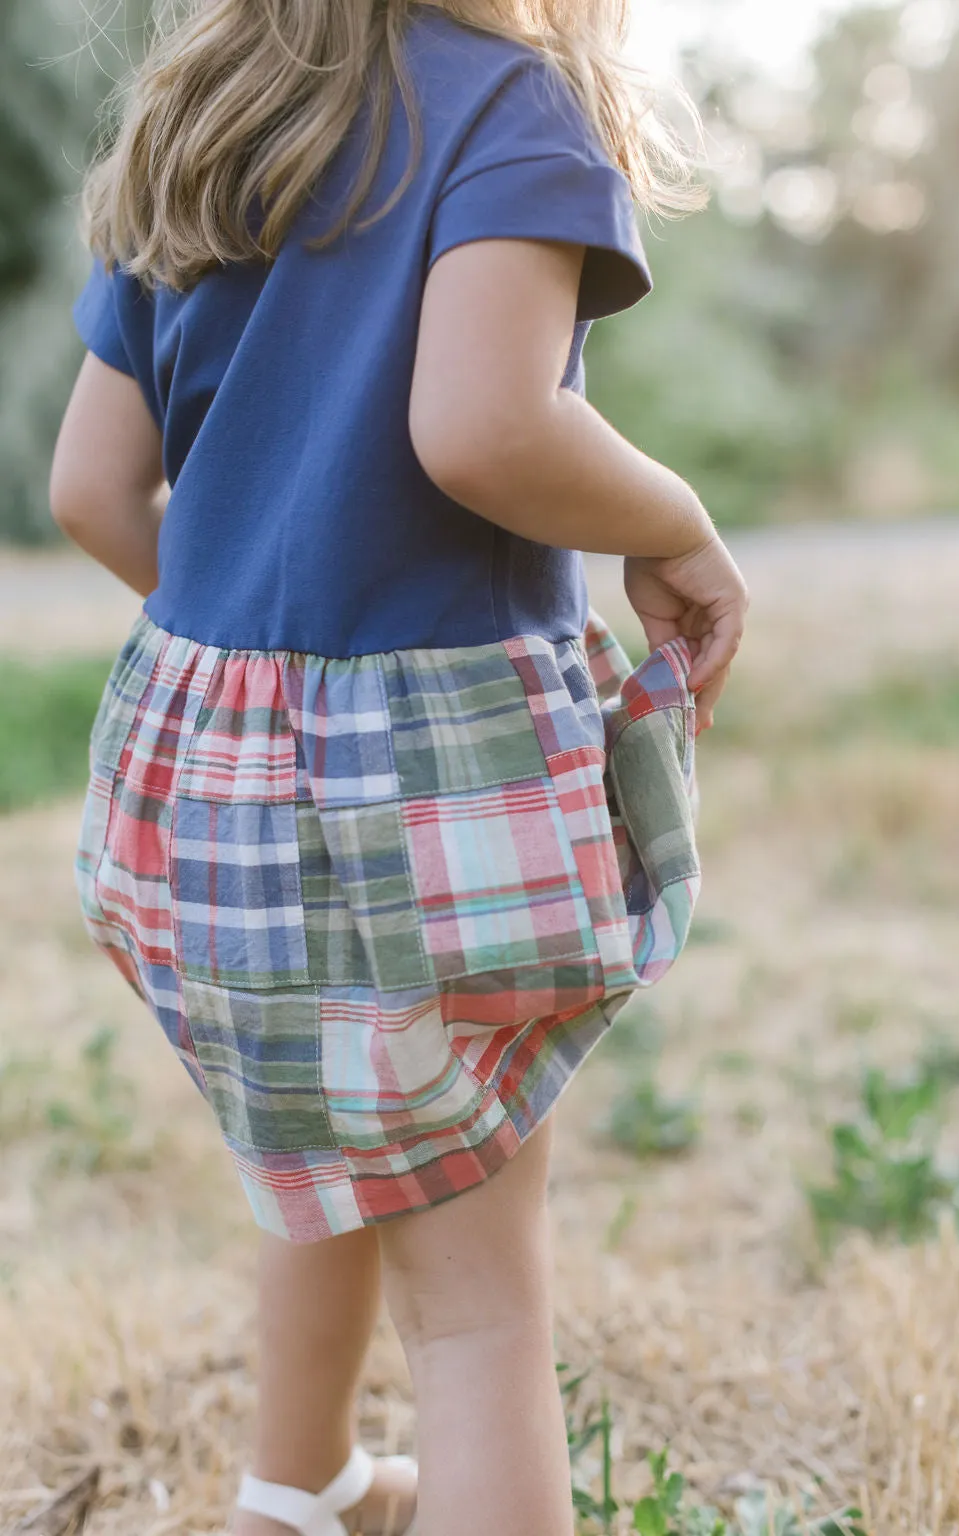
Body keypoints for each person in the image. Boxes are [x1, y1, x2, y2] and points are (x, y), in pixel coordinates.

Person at [50, 1, 748, 1532]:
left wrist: (250, 638)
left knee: (318, 1137)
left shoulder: (203, 111)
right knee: (478, 1300)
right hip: (426, 771)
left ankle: (296, 1491)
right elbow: (488, 427)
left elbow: (93, 487)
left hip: (185, 774)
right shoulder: (512, 106)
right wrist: (677, 524)